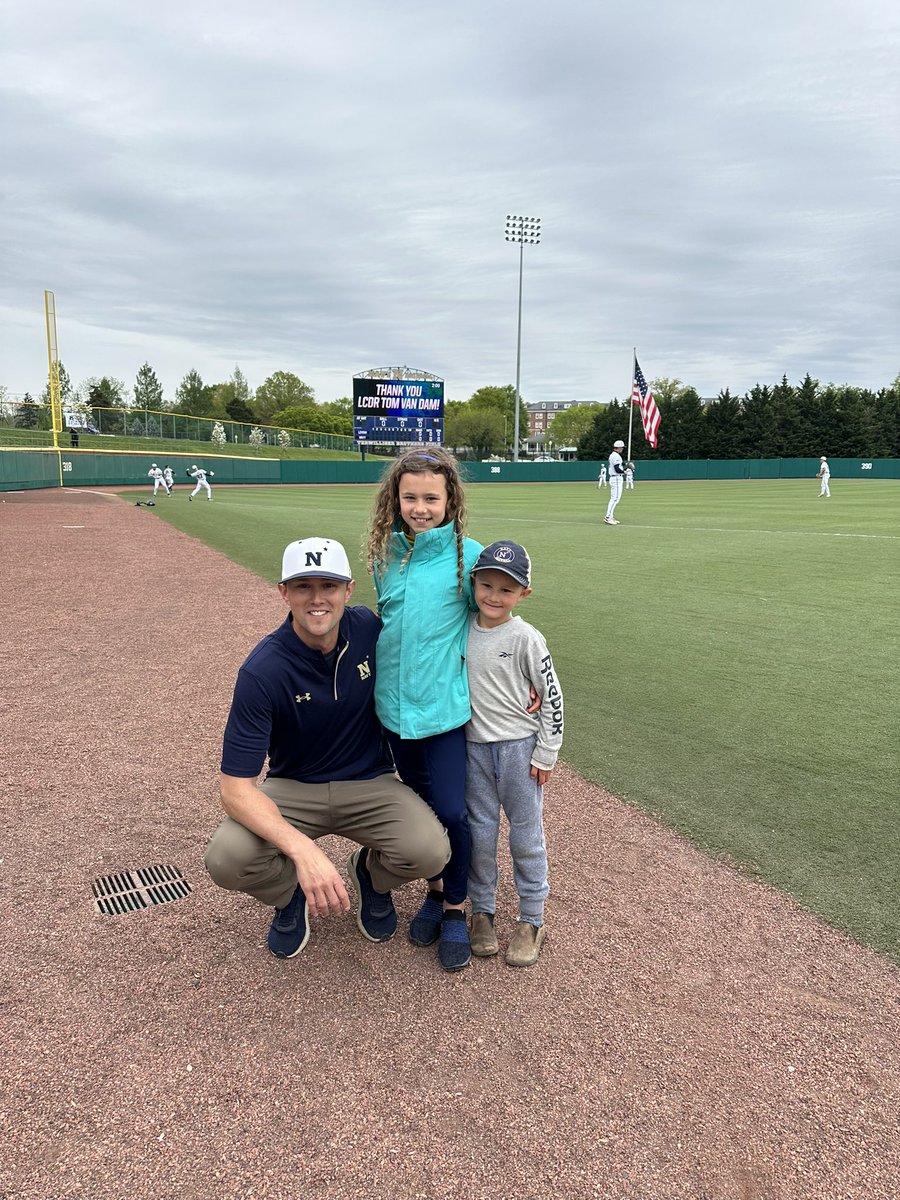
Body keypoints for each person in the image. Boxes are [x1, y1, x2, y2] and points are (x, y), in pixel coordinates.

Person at [204, 537, 451, 960]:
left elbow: (439, 651)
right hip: (293, 787)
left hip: (371, 781)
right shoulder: (262, 670)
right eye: (303, 587)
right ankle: (290, 896)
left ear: (348, 590)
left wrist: (516, 680)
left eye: (328, 586)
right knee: (226, 859)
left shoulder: (371, 630)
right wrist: (304, 853)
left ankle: (369, 875)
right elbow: (235, 790)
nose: (317, 599)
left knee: (429, 852)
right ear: (284, 592)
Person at [366, 447, 483, 972]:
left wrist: (523, 677)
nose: (419, 507)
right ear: (395, 497)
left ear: (449, 499)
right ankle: (435, 894)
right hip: (393, 713)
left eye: (430, 498)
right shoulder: (383, 555)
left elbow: (495, 622)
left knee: (454, 812)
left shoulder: (468, 554)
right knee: (421, 814)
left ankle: (456, 909)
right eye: (409, 496)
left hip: (443, 712)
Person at [465, 541, 563, 969]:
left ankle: (531, 918)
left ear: (524, 594)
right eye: (485, 584)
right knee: (480, 834)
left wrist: (546, 752)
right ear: (472, 583)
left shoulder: (526, 636)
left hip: (520, 751)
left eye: (506, 589)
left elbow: (552, 696)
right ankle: (482, 910)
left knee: (525, 833)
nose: (493, 595)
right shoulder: (462, 627)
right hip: (473, 749)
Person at [603, 439, 626, 524]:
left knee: (615, 498)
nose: (623, 449)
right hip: (616, 478)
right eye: (622, 447)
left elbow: (619, 464)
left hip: (615, 478)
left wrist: (625, 465)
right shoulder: (615, 456)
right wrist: (624, 472)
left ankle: (610, 516)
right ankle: (608, 517)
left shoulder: (614, 455)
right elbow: (617, 469)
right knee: (615, 499)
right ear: (619, 448)